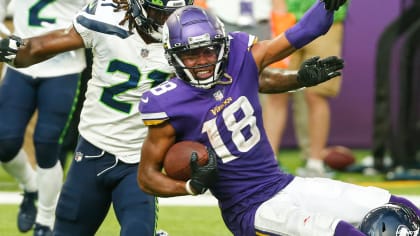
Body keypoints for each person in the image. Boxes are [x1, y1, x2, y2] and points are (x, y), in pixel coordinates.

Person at [137, 5, 420, 236]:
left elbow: (303, 32)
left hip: (284, 184)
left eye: (208, 50)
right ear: (174, 57)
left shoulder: (239, 57)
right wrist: (189, 186)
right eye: (190, 54)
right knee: (342, 232)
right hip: (250, 209)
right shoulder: (166, 103)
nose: (202, 61)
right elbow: (147, 176)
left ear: (222, 46)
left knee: (398, 206)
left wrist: (325, 6)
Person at [0, 0, 193, 235]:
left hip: (139, 158)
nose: (167, 22)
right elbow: (43, 46)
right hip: (93, 150)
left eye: (175, 14)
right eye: (159, 13)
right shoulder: (106, 18)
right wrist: (17, 52)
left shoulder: (189, 39)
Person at [0, 0, 87, 234]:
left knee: (47, 145)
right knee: (4, 142)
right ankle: (30, 187)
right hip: (19, 66)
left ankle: (45, 220)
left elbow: (100, 13)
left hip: (63, 69)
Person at [262, 0, 349, 178]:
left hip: (327, 12)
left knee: (317, 93)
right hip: (287, 15)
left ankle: (315, 163)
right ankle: (269, 162)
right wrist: (279, 9)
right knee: (276, 89)